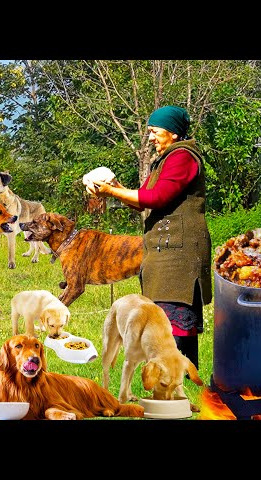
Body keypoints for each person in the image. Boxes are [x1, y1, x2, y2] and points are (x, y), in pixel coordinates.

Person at [89, 105, 212, 369]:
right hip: (166, 252)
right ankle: (172, 375)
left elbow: (158, 197)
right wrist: (116, 187)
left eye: (155, 132)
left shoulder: (183, 157)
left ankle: (182, 376)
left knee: (176, 312)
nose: (151, 138)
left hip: (179, 254)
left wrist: (111, 193)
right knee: (161, 315)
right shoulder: (166, 159)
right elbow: (143, 200)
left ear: (173, 133)